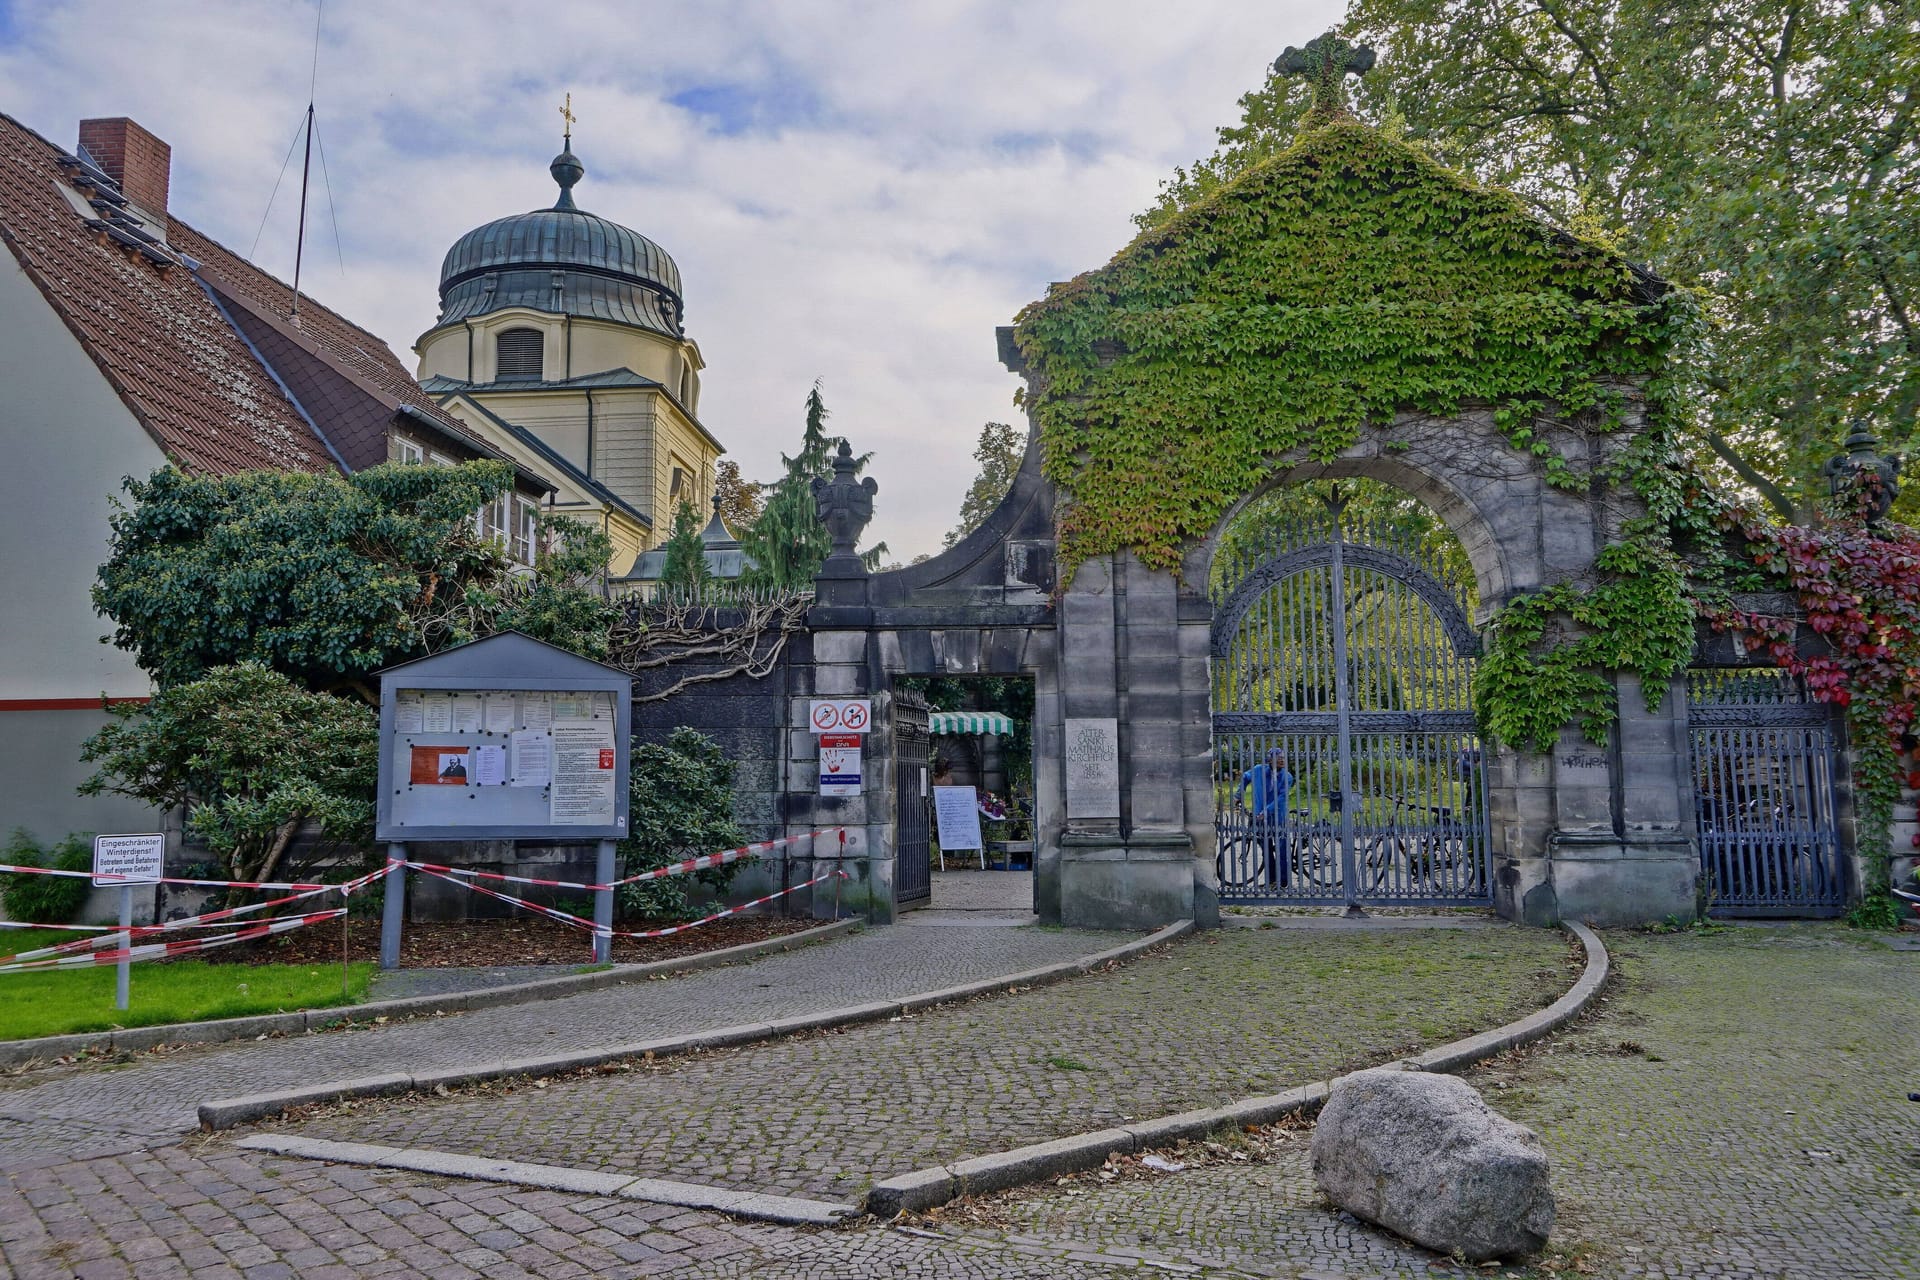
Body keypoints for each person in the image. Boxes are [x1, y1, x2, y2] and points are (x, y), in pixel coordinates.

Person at [1233, 748, 1295, 886]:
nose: (1282, 760)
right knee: (1265, 849)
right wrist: (1238, 796)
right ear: (1269, 759)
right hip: (1259, 818)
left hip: (1278, 817)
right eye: (1279, 758)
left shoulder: (1288, 777)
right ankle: (1272, 879)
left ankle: (1283, 881)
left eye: (1283, 758)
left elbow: (1281, 798)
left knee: (1282, 849)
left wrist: (1266, 811)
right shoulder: (1258, 770)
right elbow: (1245, 777)